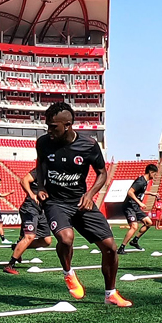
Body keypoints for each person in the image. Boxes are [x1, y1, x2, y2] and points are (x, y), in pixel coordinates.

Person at [36, 102, 131, 307]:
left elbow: (102, 173)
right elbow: (40, 165)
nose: (49, 130)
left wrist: (90, 194)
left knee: (110, 248)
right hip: (55, 202)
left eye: (54, 127)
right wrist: (41, 187)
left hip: (80, 201)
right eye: (48, 126)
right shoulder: (43, 142)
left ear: (68, 125)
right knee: (66, 237)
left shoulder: (88, 145)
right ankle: (68, 272)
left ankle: (110, 293)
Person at [3, 171, 54, 275]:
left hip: (41, 210)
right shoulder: (40, 170)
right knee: (30, 236)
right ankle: (10, 264)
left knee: (47, 241)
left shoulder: (57, 176)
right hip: (30, 208)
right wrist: (31, 194)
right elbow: (24, 180)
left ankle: (18, 246)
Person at [118, 164, 158, 254]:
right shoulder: (141, 181)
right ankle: (121, 247)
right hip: (129, 206)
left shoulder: (144, 181)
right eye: (155, 174)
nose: (155, 176)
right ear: (150, 172)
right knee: (134, 227)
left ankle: (135, 241)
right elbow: (130, 192)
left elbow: (141, 191)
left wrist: (152, 194)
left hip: (135, 206)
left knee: (149, 223)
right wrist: (139, 202)